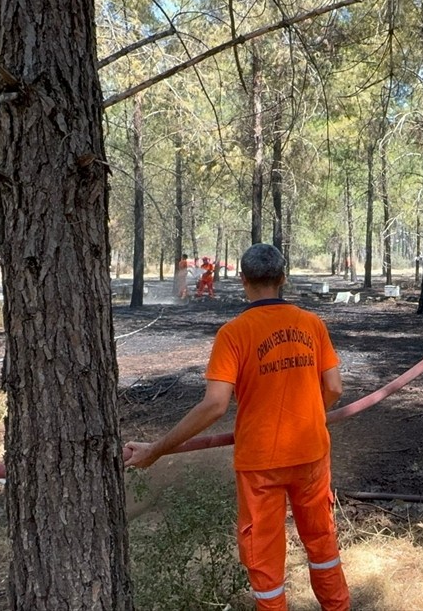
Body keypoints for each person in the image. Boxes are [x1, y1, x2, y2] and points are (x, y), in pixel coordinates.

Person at [126, 244, 350, 611]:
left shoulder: (234, 334)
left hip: (260, 463)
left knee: (264, 563)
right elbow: (336, 388)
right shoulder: (312, 324)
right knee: (323, 546)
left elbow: (215, 404)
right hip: (312, 454)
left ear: (244, 280)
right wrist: (307, 412)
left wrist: (156, 449)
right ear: (283, 279)